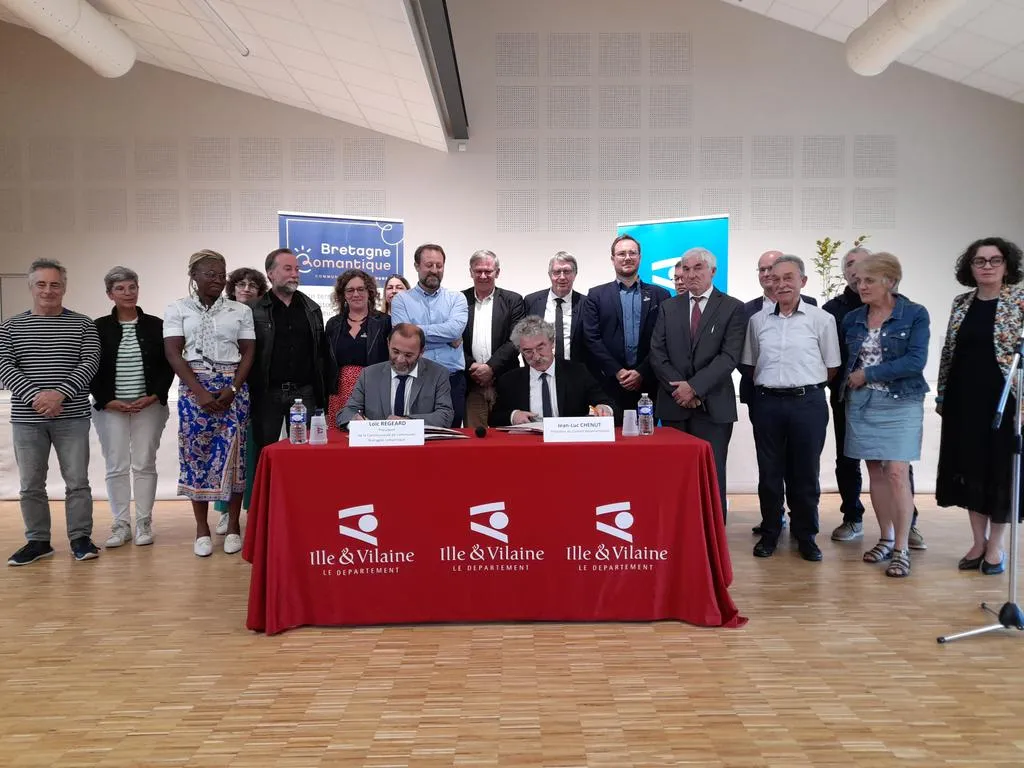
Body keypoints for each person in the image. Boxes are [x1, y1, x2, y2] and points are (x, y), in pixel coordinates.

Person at [825, 248, 927, 549]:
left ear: (890, 281)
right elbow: (843, 360)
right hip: (861, 404)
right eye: (859, 280)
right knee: (876, 475)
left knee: (896, 471)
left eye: (869, 280)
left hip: (901, 402)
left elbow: (915, 361)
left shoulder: (914, 314)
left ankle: (902, 546)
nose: (862, 286)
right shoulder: (853, 318)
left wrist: (867, 375)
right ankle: (885, 537)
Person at [741, 255, 841, 562]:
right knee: (769, 473)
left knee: (805, 473)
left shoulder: (821, 319)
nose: (781, 283)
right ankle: (771, 531)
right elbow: (751, 363)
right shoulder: (757, 321)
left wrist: (803, 385)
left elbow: (832, 366)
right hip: (768, 403)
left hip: (807, 404)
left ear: (803, 282)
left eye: (789, 277)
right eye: (776, 277)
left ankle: (806, 535)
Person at [2, 259, 101, 566]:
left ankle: (80, 538)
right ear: (31, 287)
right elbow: (4, 366)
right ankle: (38, 541)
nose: (48, 290)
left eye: (55, 284)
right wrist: (37, 396)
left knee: (77, 482)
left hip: (72, 417)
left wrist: (60, 394)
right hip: (27, 420)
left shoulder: (83, 324)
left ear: (64, 287)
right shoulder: (9, 327)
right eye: (41, 284)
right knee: (31, 484)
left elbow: (89, 363)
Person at [936, 237, 1024, 576]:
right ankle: (977, 540)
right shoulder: (961, 303)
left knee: (997, 469)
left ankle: (996, 546)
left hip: (1005, 399)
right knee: (969, 467)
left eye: (994, 260)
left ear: (1007, 265)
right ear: (970, 268)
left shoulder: (1019, 301)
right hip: (964, 398)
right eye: (980, 261)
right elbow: (949, 353)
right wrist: (943, 395)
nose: (987, 266)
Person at [163, 249, 254, 557]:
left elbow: (248, 352)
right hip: (194, 391)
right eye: (210, 274)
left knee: (235, 456)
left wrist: (232, 387)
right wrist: (200, 392)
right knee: (196, 456)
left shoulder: (239, 311)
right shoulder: (177, 309)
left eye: (221, 274)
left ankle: (233, 528)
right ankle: (202, 529)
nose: (217, 279)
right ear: (194, 276)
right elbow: (174, 353)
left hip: (233, 390)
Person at [649, 247, 745, 520]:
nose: (691, 275)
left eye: (698, 268)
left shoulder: (732, 307)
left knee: (713, 473)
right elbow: (657, 353)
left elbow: (729, 357)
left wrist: (694, 387)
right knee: (674, 474)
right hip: (674, 404)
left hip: (713, 406)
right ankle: (677, 531)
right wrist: (679, 389)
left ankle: (713, 534)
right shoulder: (669, 307)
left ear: (712, 271)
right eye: (686, 269)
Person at [90, 267, 174, 549]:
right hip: (109, 409)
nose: (128, 293)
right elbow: (90, 368)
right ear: (109, 294)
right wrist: (105, 400)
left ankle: (143, 522)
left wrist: (153, 396)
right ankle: (121, 523)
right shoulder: (97, 327)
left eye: (132, 287)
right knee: (116, 465)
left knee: (143, 463)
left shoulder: (156, 325)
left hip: (148, 407)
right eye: (120, 289)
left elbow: (168, 366)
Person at [739, 249, 817, 535]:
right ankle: (772, 522)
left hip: (803, 400)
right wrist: (766, 380)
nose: (769, 275)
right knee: (769, 467)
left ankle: (803, 526)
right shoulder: (747, 311)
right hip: (762, 397)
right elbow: (742, 357)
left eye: (774, 269)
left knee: (802, 468)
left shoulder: (812, 308)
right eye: (762, 270)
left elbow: (826, 361)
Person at [582, 234, 671, 422]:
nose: (627, 257)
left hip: (648, 384)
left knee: (646, 443)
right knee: (610, 446)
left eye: (632, 253)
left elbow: (664, 339)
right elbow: (591, 338)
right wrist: (618, 371)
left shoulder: (660, 295)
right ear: (613, 259)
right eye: (621, 253)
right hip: (609, 384)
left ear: (640, 257)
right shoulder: (596, 295)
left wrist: (641, 372)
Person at [248, 247, 329, 454]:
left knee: (308, 453)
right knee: (265, 451)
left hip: (305, 393)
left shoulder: (312, 309)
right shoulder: (253, 309)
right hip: (268, 394)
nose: (295, 274)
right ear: (270, 273)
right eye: (287, 269)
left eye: (297, 269)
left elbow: (320, 354)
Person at [212, 267, 269, 534]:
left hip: (257, 392)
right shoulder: (220, 314)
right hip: (226, 392)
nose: (246, 289)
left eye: (252, 285)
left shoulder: (264, 315)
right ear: (232, 287)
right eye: (241, 284)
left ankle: (249, 511)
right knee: (224, 454)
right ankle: (224, 513)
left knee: (249, 455)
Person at [390, 244, 468, 427]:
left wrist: (417, 333)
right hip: (416, 379)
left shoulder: (457, 298)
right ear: (417, 266)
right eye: (429, 265)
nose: (434, 270)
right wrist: (446, 338)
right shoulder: (401, 300)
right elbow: (404, 338)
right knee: (414, 434)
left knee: (452, 436)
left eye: (439, 266)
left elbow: (454, 330)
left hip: (452, 380)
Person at [491, 316, 614, 425]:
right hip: (528, 443)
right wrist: (513, 416)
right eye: (528, 351)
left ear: (552, 343)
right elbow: (494, 418)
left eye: (540, 347)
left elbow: (608, 404)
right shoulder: (510, 380)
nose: (536, 356)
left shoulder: (577, 372)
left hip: (568, 442)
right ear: (520, 351)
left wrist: (605, 408)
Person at [336, 323, 454, 428]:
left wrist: (407, 422)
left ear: (421, 352)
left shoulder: (438, 374)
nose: (400, 360)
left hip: (420, 447)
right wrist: (354, 421)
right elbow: (347, 412)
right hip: (379, 447)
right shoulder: (369, 374)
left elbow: (445, 415)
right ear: (388, 344)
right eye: (395, 352)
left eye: (408, 355)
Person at [461, 250, 526, 428]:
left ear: (497, 272)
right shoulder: (459, 300)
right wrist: (473, 366)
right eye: (478, 270)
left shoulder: (513, 300)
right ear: (471, 272)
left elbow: (516, 339)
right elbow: (453, 341)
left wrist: (490, 368)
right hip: (471, 384)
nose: (483, 275)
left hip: (505, 381)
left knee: (507, 440)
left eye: (488, 271)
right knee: (475, 441)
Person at [325, 269, 391, 429]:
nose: (356, 294)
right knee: (340, 440)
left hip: (373, 389)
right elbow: (325, 361)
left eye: (361, 289)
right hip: (339, 391)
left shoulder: (384, 322)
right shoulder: (333, 324)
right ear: (343, 295)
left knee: (371, 436)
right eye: (350, 290)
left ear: (370, 292)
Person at [524, 251, 587, 364]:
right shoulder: (531, 301)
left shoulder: (586, 303)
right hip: (541, 369)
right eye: (557, 272)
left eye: (567, 271)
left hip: (577, 372)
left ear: (575, 274)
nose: (562, 277)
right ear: (550, 274)